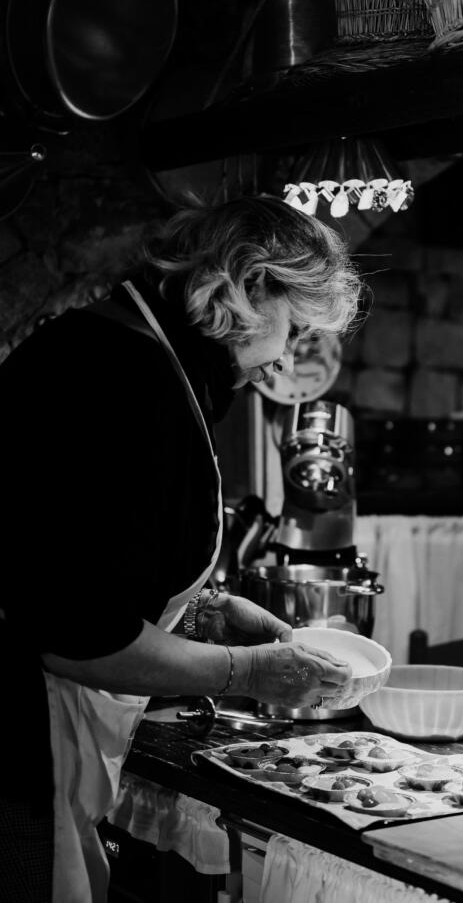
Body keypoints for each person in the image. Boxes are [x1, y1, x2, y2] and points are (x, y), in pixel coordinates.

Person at [0, 193, 363, 903]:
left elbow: (93, 562)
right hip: (13, 739)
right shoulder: (121, 378)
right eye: (294, 330)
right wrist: (246, 672)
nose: (288, 358)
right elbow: (79, 633)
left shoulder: (120, 348)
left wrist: (201, 614)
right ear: (251, 285)